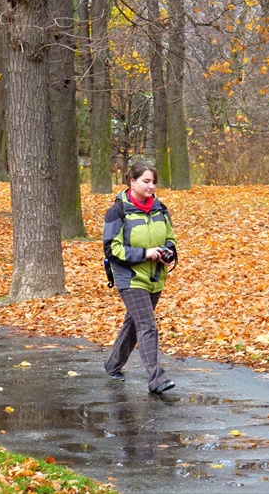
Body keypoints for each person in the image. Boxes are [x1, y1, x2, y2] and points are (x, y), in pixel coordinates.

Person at [103, 162, 177, 394]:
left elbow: (170, 238)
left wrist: (168, 253)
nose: (151, 186)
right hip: (130, 277)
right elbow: (111, 249)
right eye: (146, 181)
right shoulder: (118, 211)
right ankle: (157, 378)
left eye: (153, 181)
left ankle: (113, 364)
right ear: (132, 181)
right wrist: (144, 254)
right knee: (147, 325)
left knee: (134, 323)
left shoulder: (160, 208)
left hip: (155, 277)